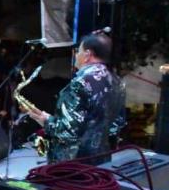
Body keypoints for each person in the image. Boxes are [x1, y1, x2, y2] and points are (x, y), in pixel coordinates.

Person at [27, 32, 126, 164]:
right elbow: (117, 124)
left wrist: (45, 120)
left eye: (78, 51)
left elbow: (67, 133)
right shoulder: (118, 82)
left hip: (73, 165)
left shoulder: (80, 83)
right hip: (102, 160)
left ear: (87, 55)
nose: (76, 55)